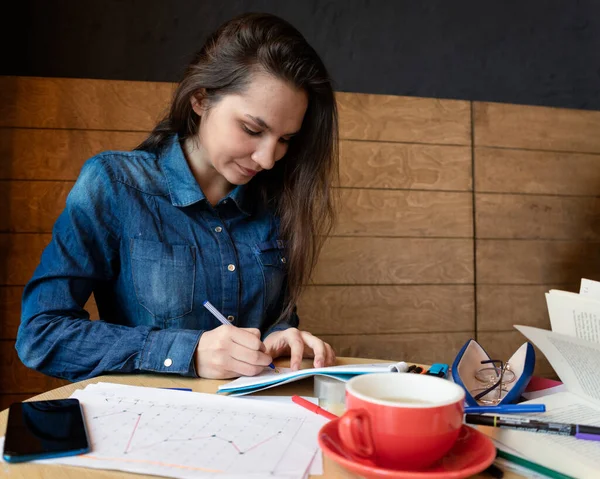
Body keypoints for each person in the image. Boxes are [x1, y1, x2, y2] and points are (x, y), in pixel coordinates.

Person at [16, 12, 338, 381]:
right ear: (200, 100)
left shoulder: (276, 201)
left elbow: (272, 324)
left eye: (285, 140)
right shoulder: (114, 184)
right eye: (252, 129)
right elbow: (41, 334)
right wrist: (188, 353)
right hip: (148, 425)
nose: (267, 158)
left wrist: (281, 337)